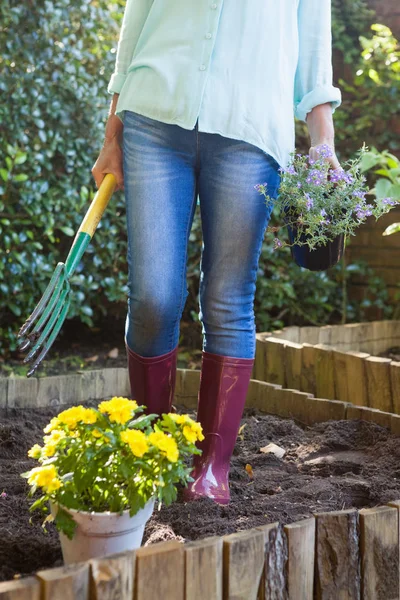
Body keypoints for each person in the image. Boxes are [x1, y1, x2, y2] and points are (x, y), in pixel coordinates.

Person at [92, 0, 342, 504]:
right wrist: (111, 130)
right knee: (154, 298)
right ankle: (152, 457)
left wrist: (323, 144)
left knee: (228, 301)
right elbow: (138, 17)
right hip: (155, 114)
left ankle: (210, 470)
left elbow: (313, 43)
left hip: (250, 128)